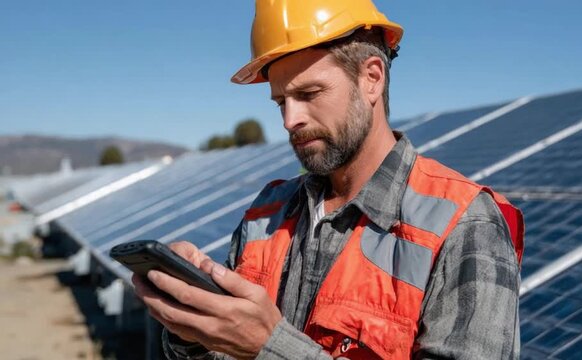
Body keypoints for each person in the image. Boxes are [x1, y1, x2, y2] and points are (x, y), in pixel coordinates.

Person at [132, 1, 525, 359]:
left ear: (372, 78)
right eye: (281, 101)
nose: (290, 120)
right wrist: (194, 330)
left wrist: (270, 348)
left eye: (310, 93)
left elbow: (261, 346)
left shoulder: (464, 224)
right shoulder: (266, 213)